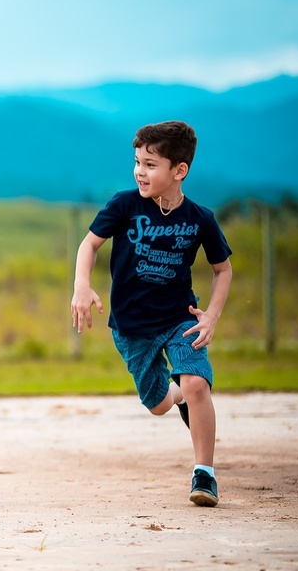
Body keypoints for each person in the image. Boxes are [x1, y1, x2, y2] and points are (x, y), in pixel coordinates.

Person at [71, 121, 233, 506]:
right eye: (137, 162)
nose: (140, 171)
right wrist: (81, 284)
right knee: (159, 404)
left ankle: (204, 474)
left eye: (150, 164)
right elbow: (89, 245)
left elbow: (222, 269)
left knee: (197, 384)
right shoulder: (125, 205)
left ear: (179, 171)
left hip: (180, 317)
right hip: (131, 328)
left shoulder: (200, 219)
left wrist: (210, 316)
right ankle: (175, 397)